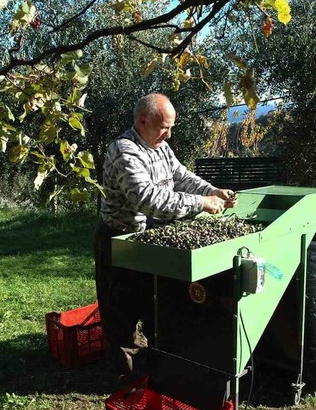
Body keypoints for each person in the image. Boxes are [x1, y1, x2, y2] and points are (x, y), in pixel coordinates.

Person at [94, 92, 236, 382]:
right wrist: (200, 203)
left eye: (171, 127)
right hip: (120, 238)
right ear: (142, 121)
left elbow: (180, 175)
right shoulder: (124, 150)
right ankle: (129, 379)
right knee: (122, 311)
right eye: (164, 127)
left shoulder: (160, 146)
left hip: (149, 237)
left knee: (154, 302)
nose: (169, 134)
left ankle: (158, 367)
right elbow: (147, 199)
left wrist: (211, 191)